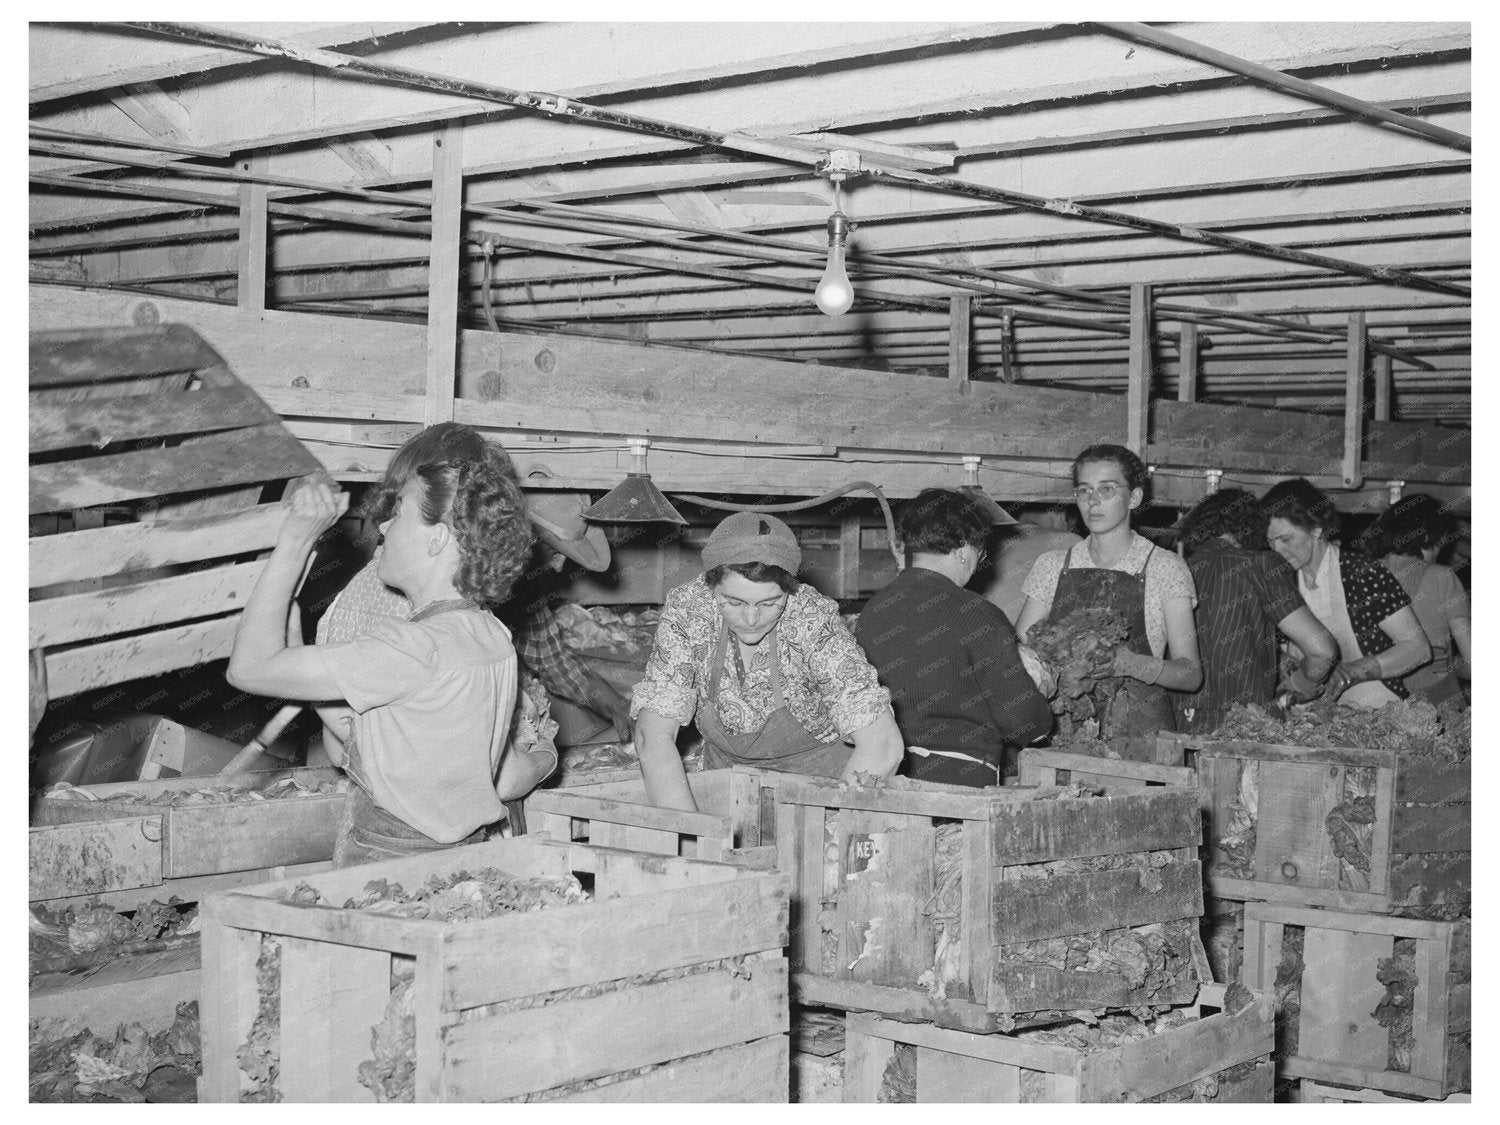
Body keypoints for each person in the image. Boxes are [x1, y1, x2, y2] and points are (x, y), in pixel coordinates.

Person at [228, 448, 536, 867]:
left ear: (437, 538)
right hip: (461, 856)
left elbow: (247, 669)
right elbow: (361, 741)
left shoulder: (412, 648)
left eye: (402, 512)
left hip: (390, 858)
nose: (386, 524)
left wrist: (296, 540)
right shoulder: (489, 633)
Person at [314, 424, 632, 767]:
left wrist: (611, 702)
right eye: (550, 550)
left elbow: (551, 659)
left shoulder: (493, 585)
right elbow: (381, 738)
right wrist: (536, 761)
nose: (556, 567)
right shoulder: (395, 598)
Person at [632, 511, 904, 811]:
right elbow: (653, 735)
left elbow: (882, 744)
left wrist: (834, 827)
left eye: (769, 603)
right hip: (727, 787)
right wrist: (690, 832)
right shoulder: (689, 610)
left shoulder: (811, 618)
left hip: (818, 791)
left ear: (789, 589)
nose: (750, 619)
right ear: (711, 586)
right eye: (733, 602)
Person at [857, 489, 1053, 786]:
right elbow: (1023, 724)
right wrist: (1040, 695)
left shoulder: (873, 611)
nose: (978, 564)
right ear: (963, 551)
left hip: (883, 778)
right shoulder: (977, 615)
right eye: (980, 554)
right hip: (957, 786)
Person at [1014, 444, 1201, 754]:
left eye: (1107, 489)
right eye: (1084, 490)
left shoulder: (1165, 567)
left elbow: (1190, 674)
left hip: (1139, 736)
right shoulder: (1053, 565)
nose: (1093, 501)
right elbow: (1024, 653)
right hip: (1064, 736)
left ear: (1134, 497)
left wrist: (1128, 663)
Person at [1173, 489, 1338, 732]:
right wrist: (1292, 689)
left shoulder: (1178, 570)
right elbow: (1322, 651)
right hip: (1244, 726)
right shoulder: (1258, 565)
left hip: (1179, 724)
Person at [1261, 478, 1428, 708]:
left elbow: (1417, 649)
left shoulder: (1362, 573)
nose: (1277, 550)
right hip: (1308, 716)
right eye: (1270, 541)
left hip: (1376, 709)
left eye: (1286, 539)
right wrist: (1282, 660)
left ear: (1317, 531)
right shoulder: (1279, 579)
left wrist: (1352, 671)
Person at [1357, 494, 1470, 704]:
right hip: (1438, 708)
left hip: (1374, 707)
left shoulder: (1361, 575)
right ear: (1434, 537)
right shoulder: (1443, 577)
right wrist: (1449, 665)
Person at [984, 503, 1082, 625]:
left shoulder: (989, 537)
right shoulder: (1070, 542)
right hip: (1026, 639)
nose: (1068, 530)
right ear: (1061, 515)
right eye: (1070, 526)